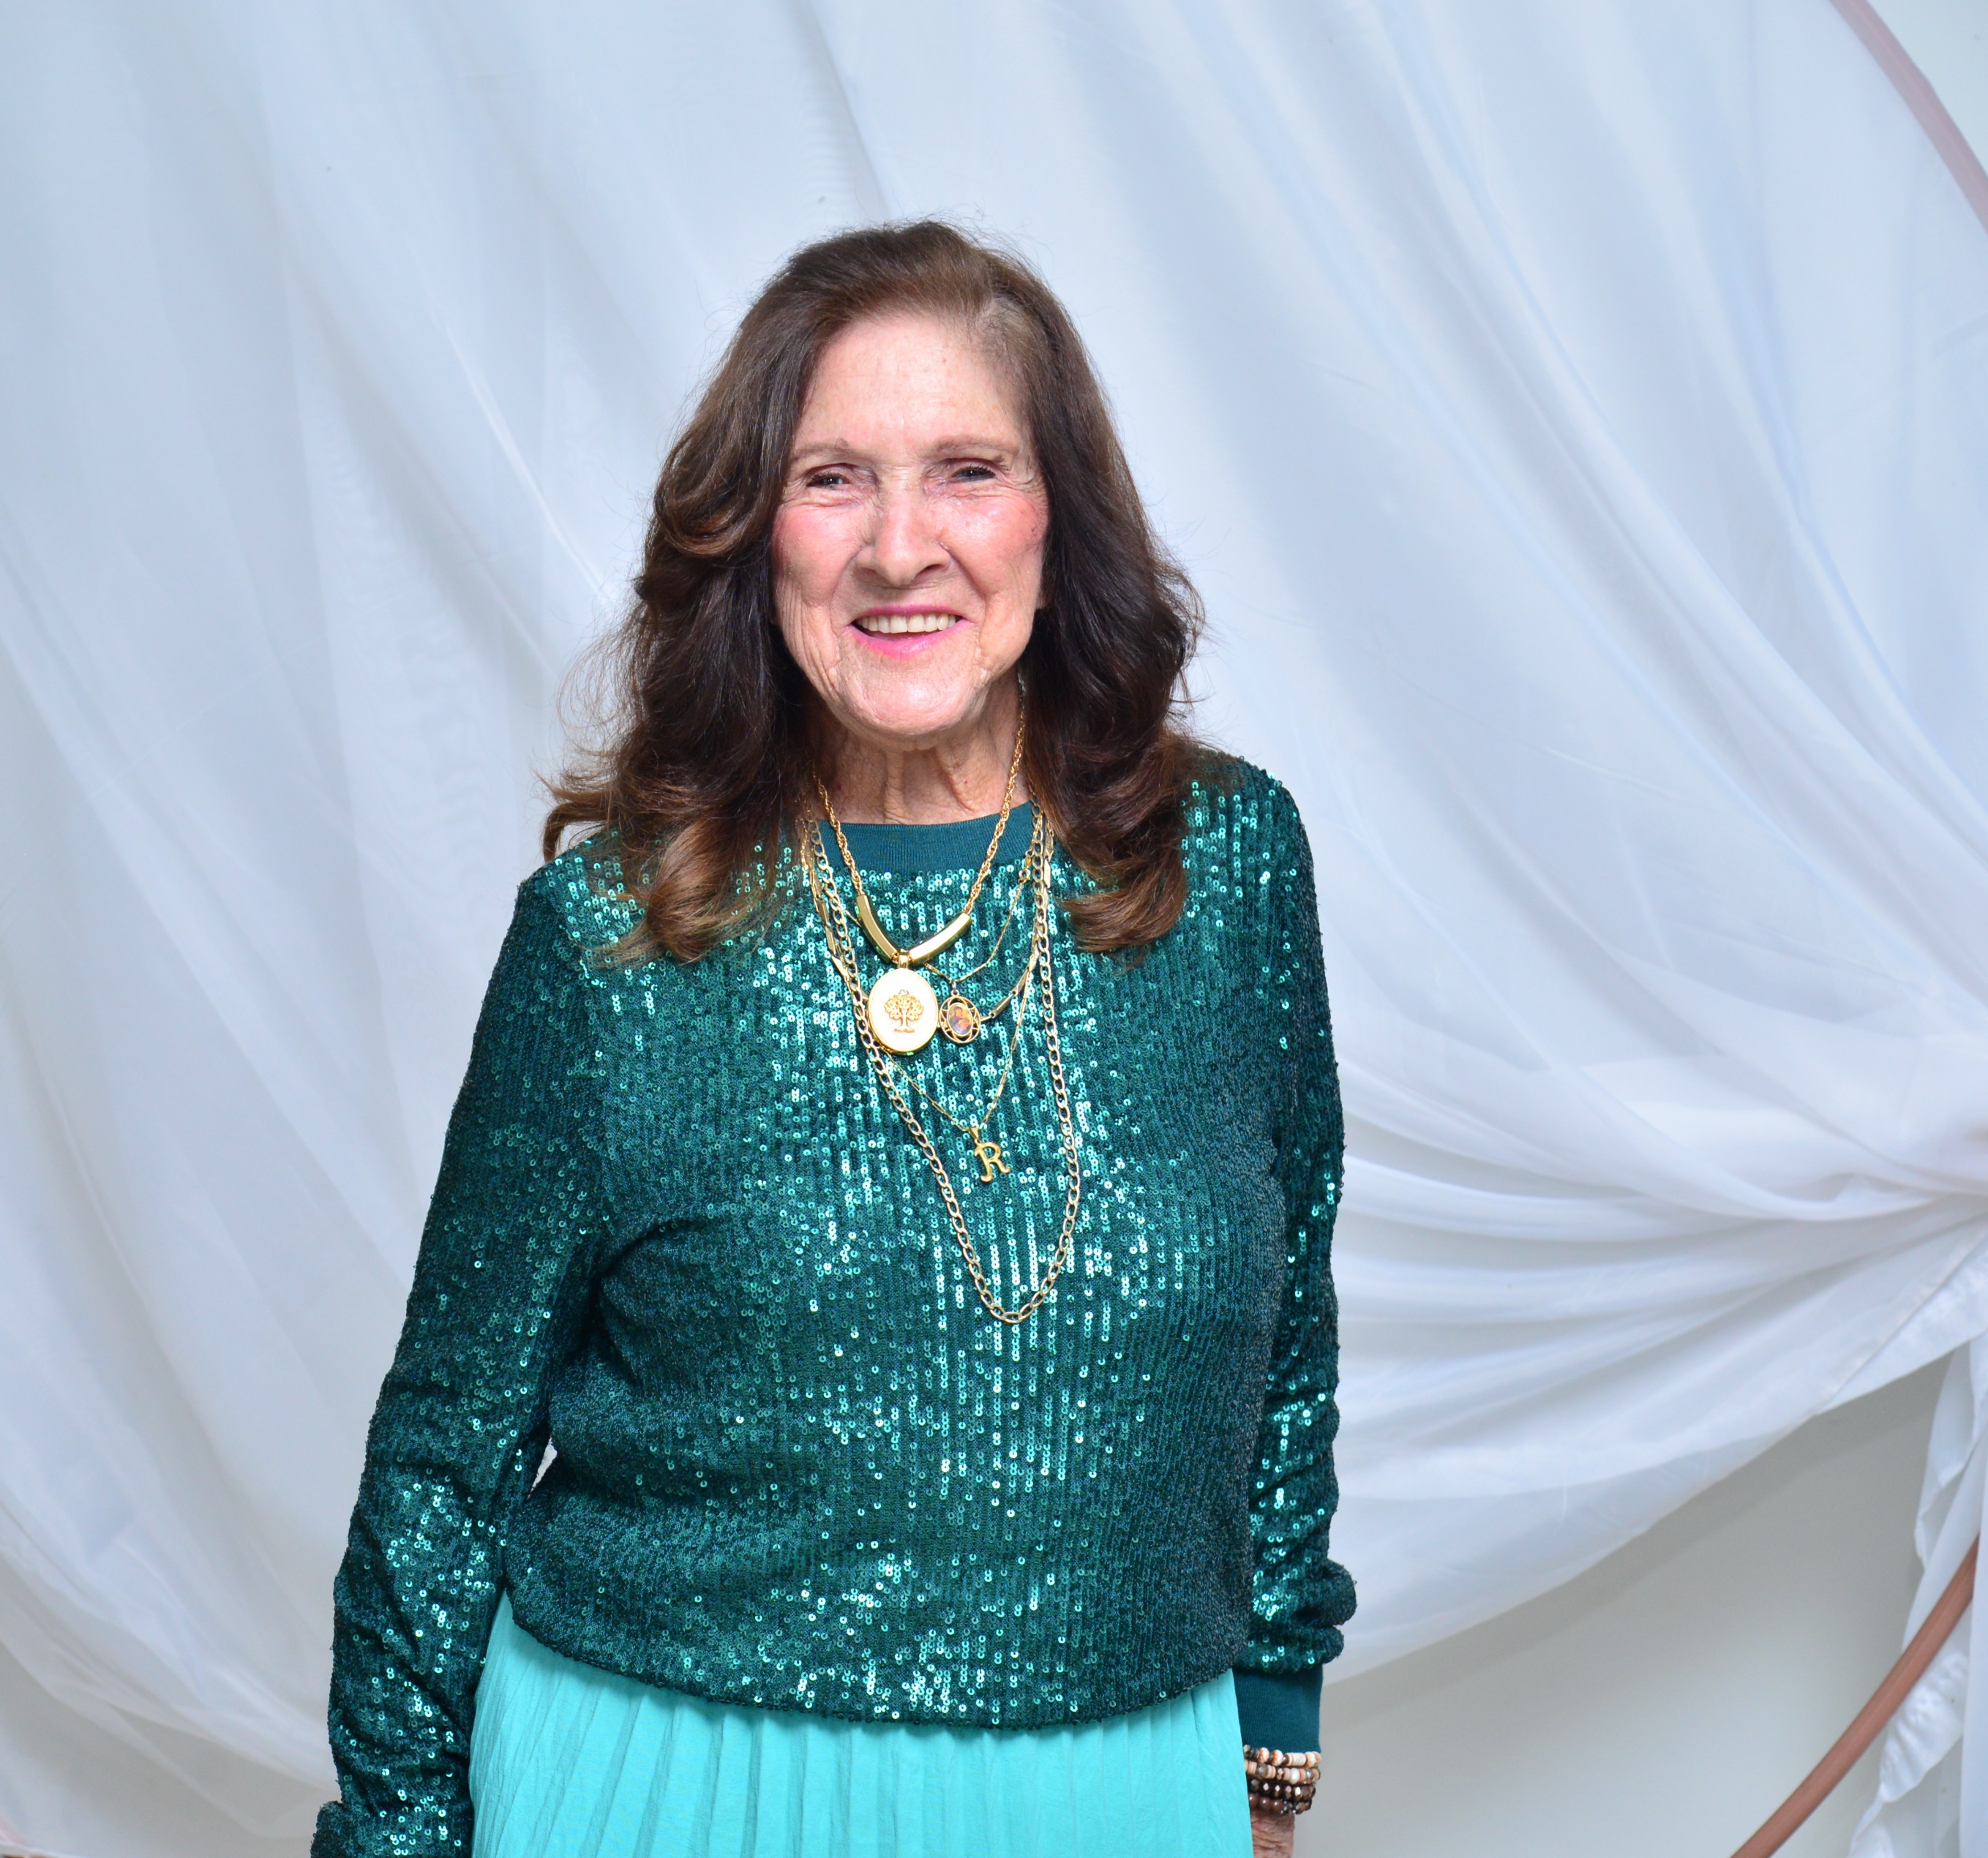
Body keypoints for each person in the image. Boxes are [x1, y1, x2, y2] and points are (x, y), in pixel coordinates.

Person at [312, 219, 1351, 1858]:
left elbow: (1287, 1336)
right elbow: (443, 1461)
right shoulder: (610, 939)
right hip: (666, 1791)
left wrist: (1273, 1751)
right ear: (753, 535)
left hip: (1119, 1789)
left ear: (1057, 516)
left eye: (967, 472)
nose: (899, 548)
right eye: (831, 481)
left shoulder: (1225, 870)